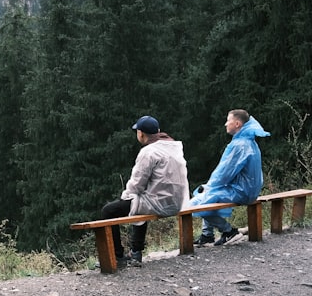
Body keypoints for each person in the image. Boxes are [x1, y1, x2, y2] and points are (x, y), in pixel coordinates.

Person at [101, 116, 189, 267]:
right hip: (180, 201)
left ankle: (117, 256)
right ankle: (136, 252)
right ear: (158, 131)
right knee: (139, 201)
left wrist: (125, 197)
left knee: (108, 211)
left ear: (140, 134)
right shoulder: (174, 147)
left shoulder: (148, 152)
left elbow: (136, 184)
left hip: (161, 204)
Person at [188, 109, 270, 246]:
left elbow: (225, 173)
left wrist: (209, 186)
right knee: (208, 194)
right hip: (248, 189)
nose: (226, 124)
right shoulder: (249, 141)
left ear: (237, 124)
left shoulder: (240, 145)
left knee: (197, 203)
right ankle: (207, 235)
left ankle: (229, 231)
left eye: (228, 120)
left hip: (241, 191)